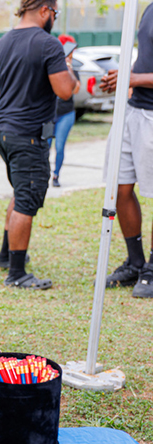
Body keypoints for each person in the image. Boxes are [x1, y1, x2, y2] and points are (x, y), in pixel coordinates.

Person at [0, 0, 78, 289]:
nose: (54, 18)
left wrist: (8, 119)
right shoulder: (48, 44)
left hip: (3, 130)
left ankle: (6, 255)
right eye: (55, 13)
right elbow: (65, 91)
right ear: (44, 11)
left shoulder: (0, 44)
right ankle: (16, 273)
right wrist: (69, 69)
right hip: (28, 134)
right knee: (27, 200)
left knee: (19, 191)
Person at [99, 2, 153, 298]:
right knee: (118, 187)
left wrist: (132, 79)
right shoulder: (147, 8)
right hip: (132, 111)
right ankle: (135, 261)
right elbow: (145, 59)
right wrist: (123, 78)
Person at [49, 35, 81, 188]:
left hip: (66, 113)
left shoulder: (72, 68)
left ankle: (56, 175)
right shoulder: (50, 65)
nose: (71, 54)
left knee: (60, 146)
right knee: (45, 146)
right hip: (48, 114)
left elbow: (75, 89)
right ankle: (43, 174)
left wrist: (69, 70)